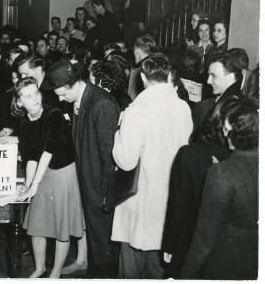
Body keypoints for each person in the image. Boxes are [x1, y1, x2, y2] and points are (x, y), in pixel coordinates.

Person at [111, 53, 193, 279]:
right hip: (169, 198)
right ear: (168, 76)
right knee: (159, 267)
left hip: (139, 198)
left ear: (144, 79)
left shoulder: (136, 111)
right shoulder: (183, 108)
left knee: (131, 267)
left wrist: (118, 134)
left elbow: (126, 161)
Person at [43, 59, 120, 278]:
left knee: (105, 246)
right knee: (96, 244)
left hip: (100, 188)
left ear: (75, 84)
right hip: (88, 183)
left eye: (62, 94)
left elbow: (109, 157)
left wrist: (107, 195)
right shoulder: (81, 99)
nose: (59, 99)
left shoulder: (101, 104)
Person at [12, 77, 85, 278]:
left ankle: (55, 274)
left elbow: (48, 151)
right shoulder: (25, 123)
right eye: (28, 96)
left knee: (61, 226)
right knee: (36, 224)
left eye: (36, 93)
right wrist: (27, 185)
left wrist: (35, 182)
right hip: (42, 171)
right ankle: (39, 268)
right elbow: (30, 158)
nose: (34, 98)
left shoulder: (53, 114)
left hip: (62, 171)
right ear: (19, 102)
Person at [180, 98, 258, 279]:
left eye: (225, 129)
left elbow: (204, 240)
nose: (223, 133)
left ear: (235, 131)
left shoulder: (221, 173)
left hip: (225, 263)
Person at [162, 97, 234, 278]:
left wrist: (169, 245)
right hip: (226, 250)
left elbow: (178, 207)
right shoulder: (240, 161)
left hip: (188, 242)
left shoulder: (189, 155)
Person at [192, 52, 243, 131]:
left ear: (230, 77)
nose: (208, 81)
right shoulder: (237, 101)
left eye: (213, 76)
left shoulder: (231, 109)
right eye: (209, 75)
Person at [129, 34, 157, 99]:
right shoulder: (160, 66)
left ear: (138, 50)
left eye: (134, 49)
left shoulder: (138, 71)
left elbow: (132, 98)